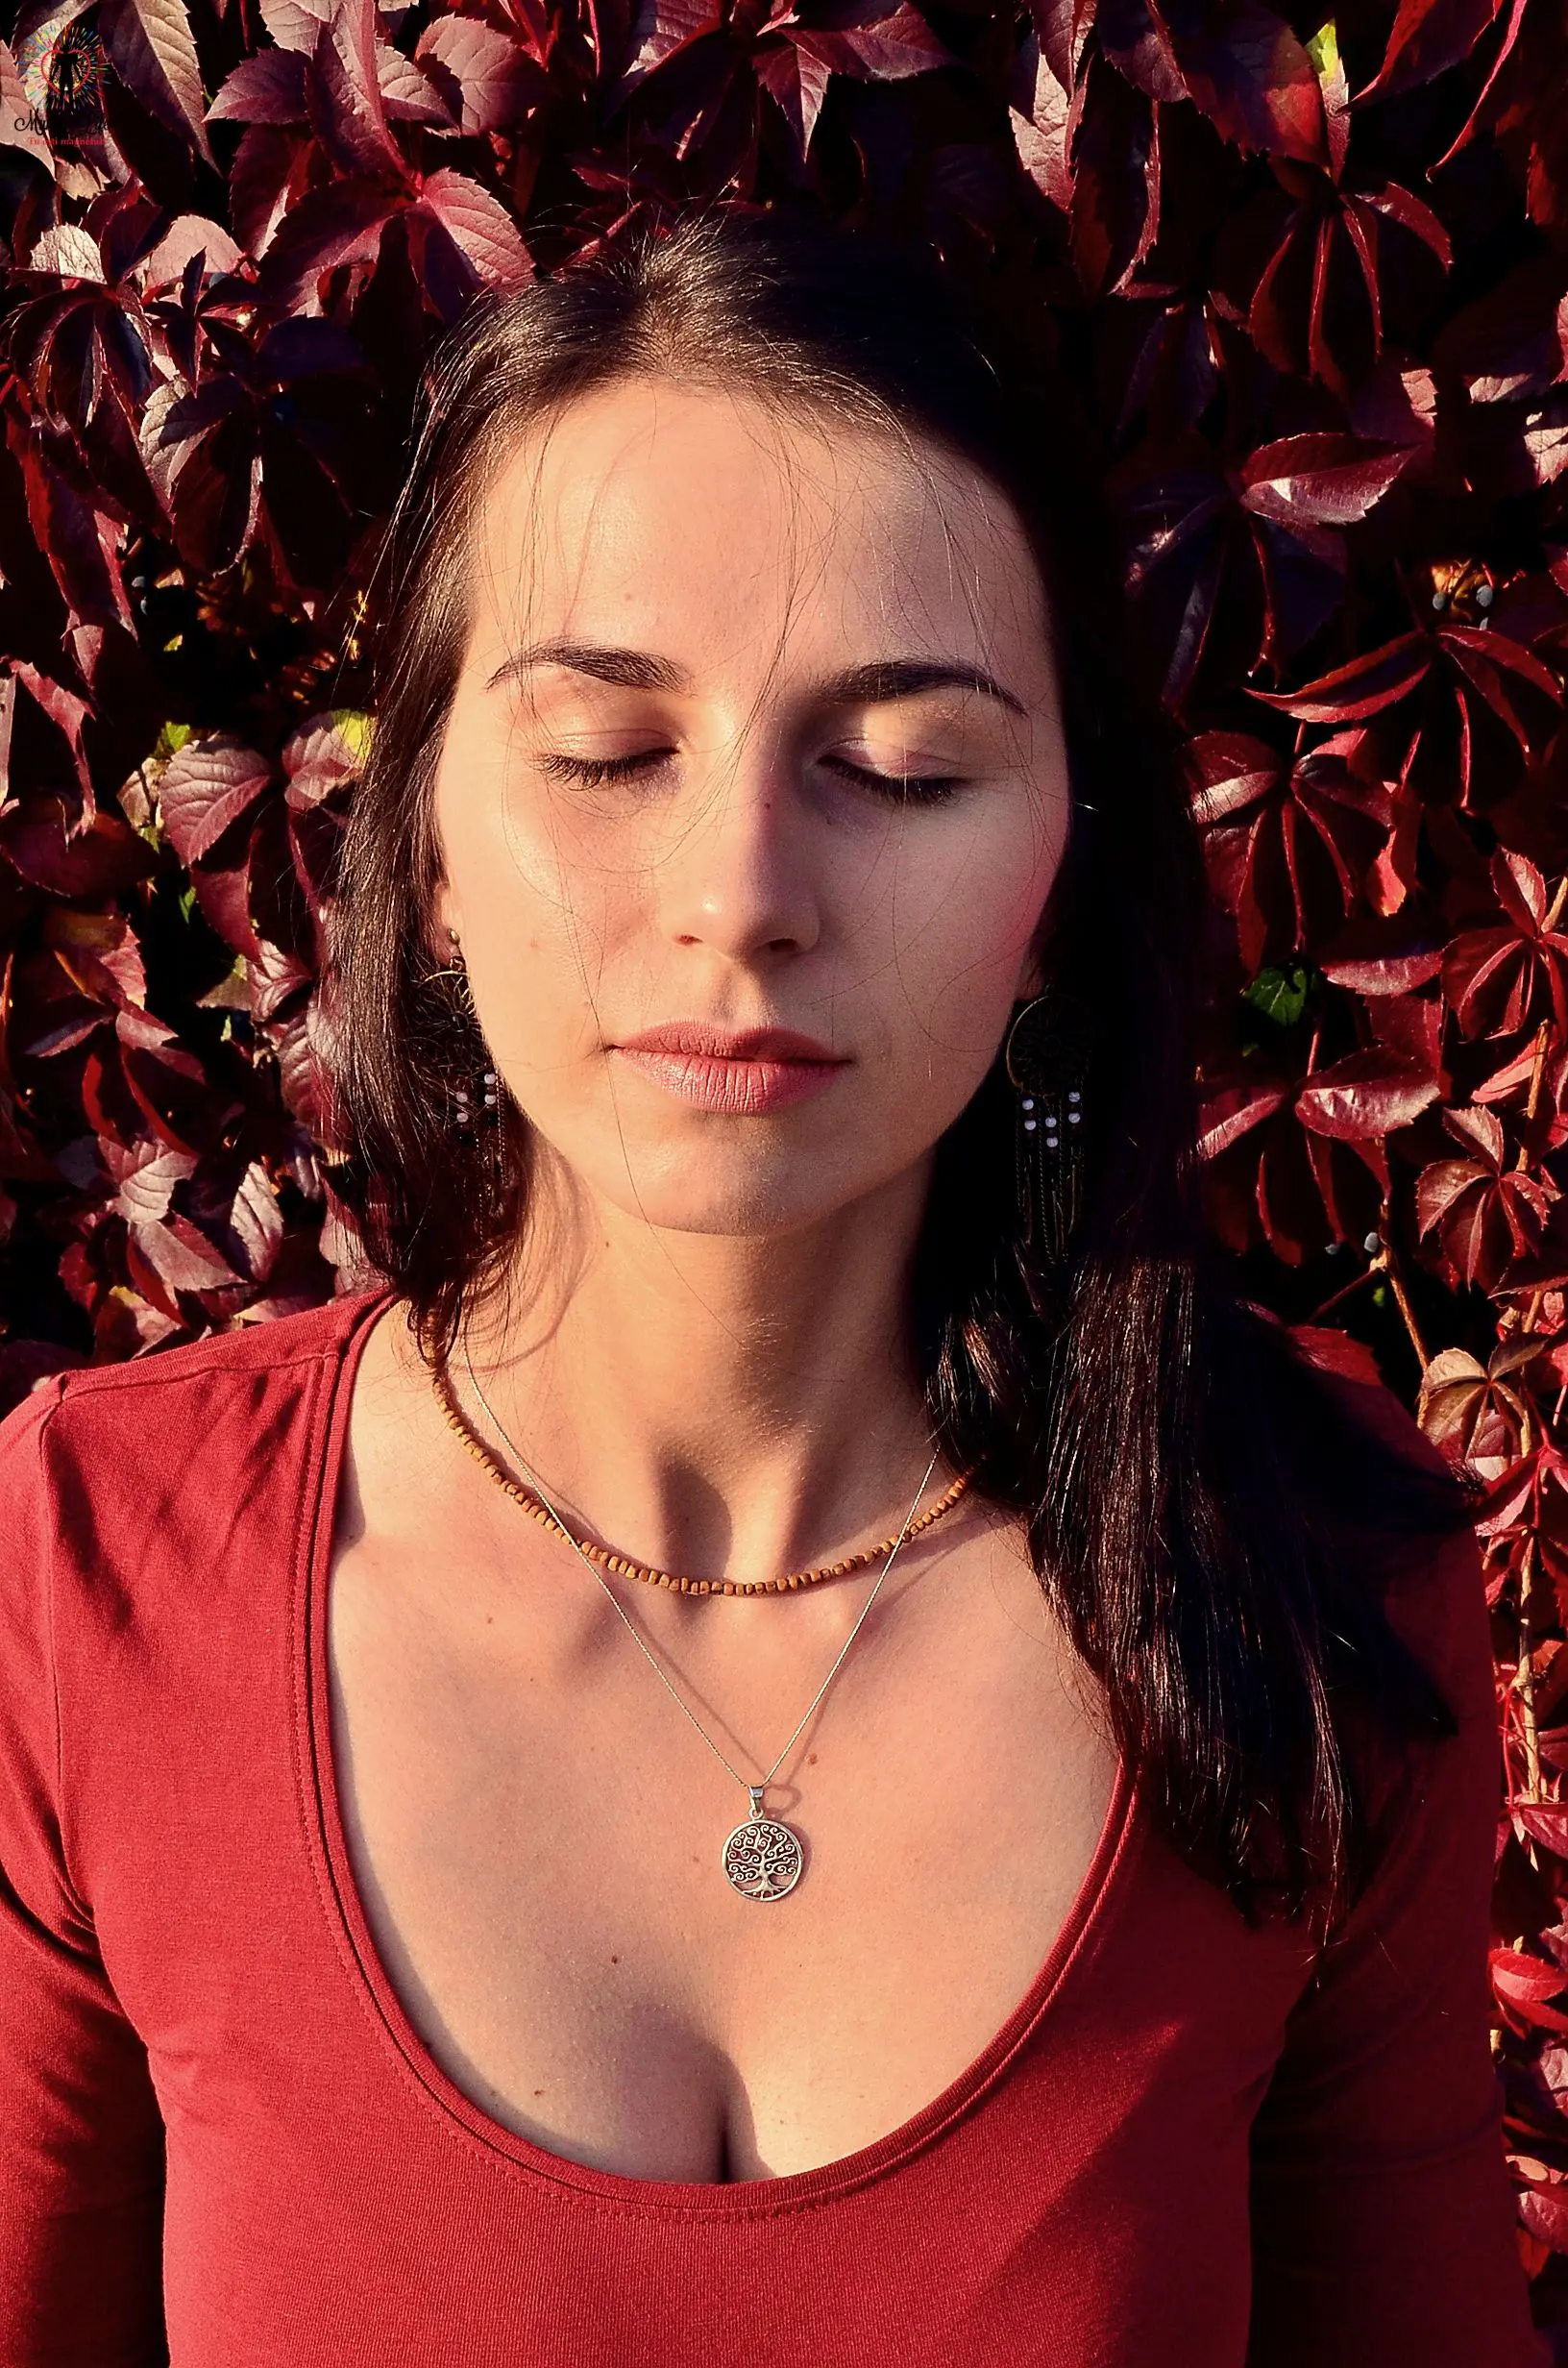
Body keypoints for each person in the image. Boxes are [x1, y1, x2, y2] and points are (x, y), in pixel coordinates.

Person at [0, 213, 1547, 2366]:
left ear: (1056, 881)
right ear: (429, 838)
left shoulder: (1306, 1570)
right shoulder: (96, 1574)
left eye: (902, 770)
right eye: (610, 750)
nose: (740, 897)